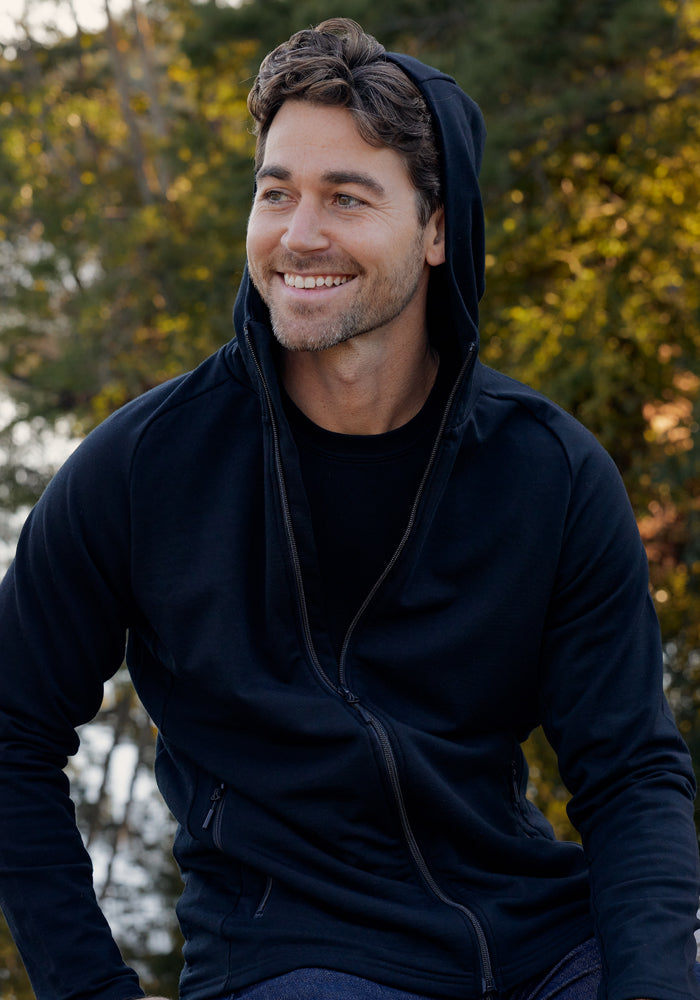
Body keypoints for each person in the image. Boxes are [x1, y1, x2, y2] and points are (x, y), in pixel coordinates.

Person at [0, 16, 698, 1000]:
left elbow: (630, 773)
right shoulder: (147, 466)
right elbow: (11, 729)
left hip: (540, 946)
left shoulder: (548, 473)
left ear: (438, 226)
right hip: (297, 957)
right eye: (275, 191)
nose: (297, 234)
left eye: (345, 197)